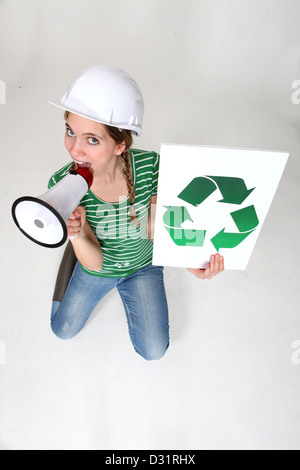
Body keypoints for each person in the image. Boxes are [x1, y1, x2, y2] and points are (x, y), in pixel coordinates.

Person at [48, 66, 224, 361]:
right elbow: (97, 260)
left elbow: (155, 229)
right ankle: (72, 249)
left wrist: (190, 257)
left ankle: (78, 244)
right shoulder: (61, 185)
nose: (75, 149)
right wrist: (77, 234)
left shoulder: (150, 166)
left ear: (120, 145)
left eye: (92, 139)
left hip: (143, 264)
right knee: (61, 330)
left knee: (154, 352)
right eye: (70, 132)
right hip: (96, 267)